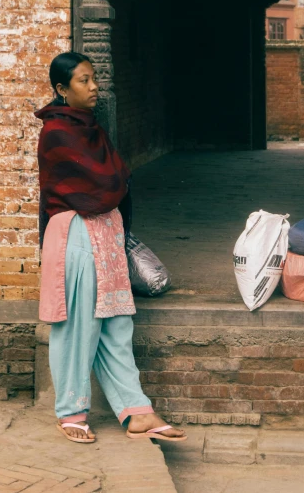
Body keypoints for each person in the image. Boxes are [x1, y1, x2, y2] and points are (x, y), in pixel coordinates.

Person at [36, 52, 186, 444]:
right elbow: (102, 184)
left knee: (116, 325)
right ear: (61, 90)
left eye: (94, 78)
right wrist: (115, 185)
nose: (94, 87)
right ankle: (71, 412)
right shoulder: (57, 132)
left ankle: (136, 411)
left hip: (107, 232)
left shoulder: (93, 129)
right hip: (76, 233)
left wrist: (115, 189)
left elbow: (116, 178)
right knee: (78, 327)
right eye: (83, 81)